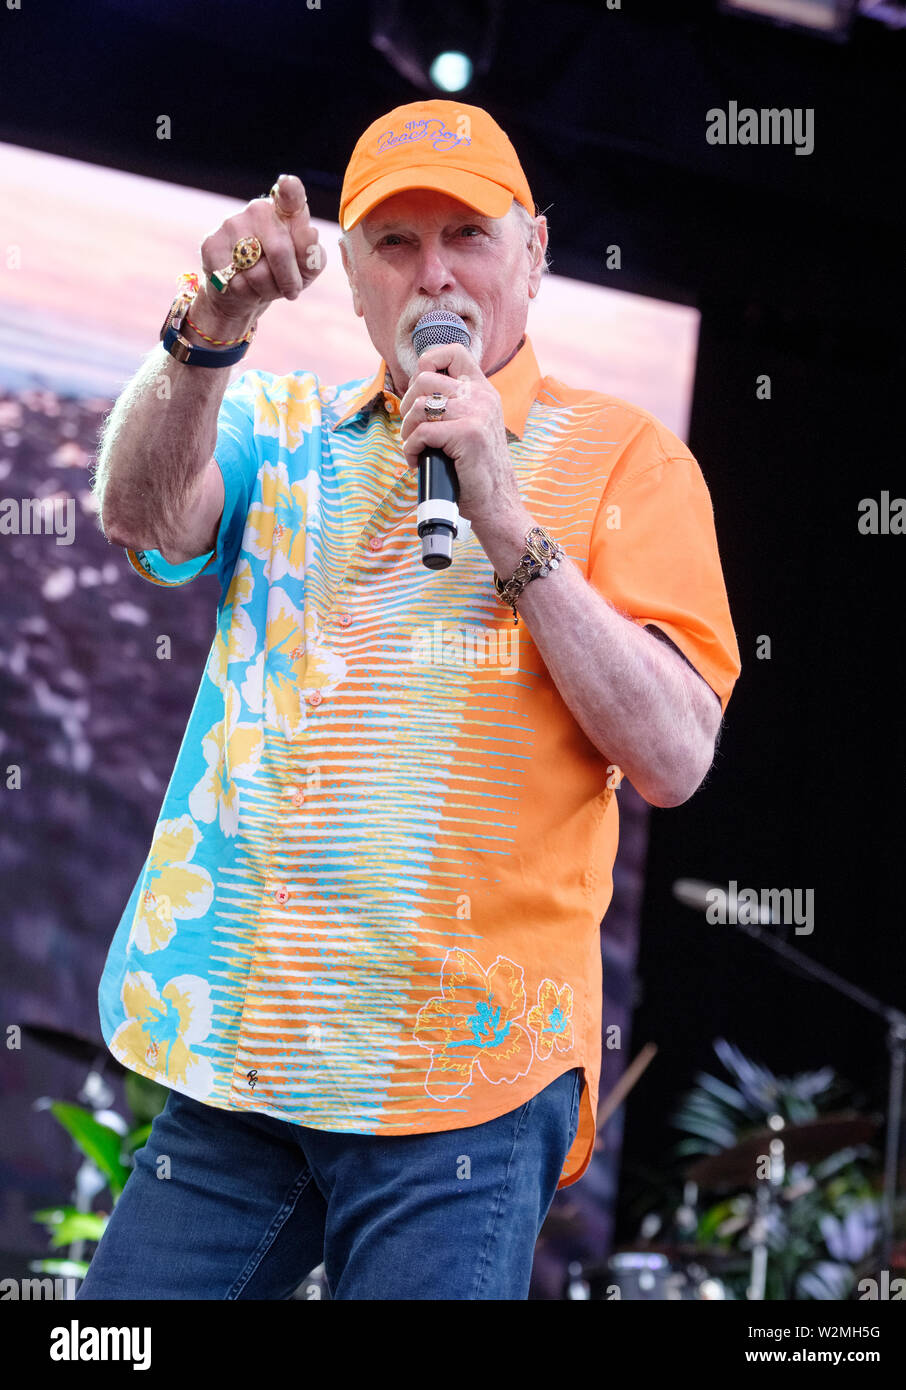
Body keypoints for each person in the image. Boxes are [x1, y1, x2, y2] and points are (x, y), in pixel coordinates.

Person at [78, 99, 740, 1301]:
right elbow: (138, 515)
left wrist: (506, 515)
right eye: (393, 242)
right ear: (355, 281)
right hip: (245, 1058)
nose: (434, 271)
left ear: (533, 253)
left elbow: (676, 752)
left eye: (468, 235)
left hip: (464, 1083)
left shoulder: (629, 459)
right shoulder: (280, 429)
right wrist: (207, 324)